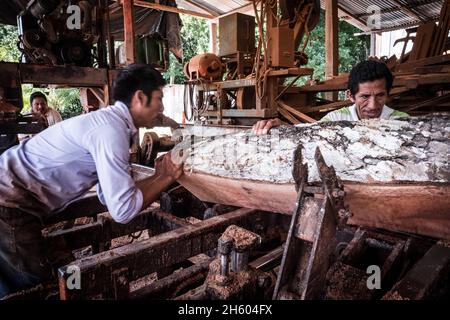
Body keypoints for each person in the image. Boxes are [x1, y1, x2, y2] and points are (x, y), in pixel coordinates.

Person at [0, 64, 184, 298]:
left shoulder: (112, 124)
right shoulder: (111, 131)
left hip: (16, 197)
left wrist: (160, 173)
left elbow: (109, 196)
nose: (162, 106)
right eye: (159, 98)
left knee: (68, 275)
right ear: (140, 97)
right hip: (8, 201)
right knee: (41, 288)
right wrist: (166, 176)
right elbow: (123, 210)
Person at [252, 60, 409, 135]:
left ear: (388, 93)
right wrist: (281, 126)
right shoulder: (336, 118)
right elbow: (309, 134)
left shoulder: (403, 122)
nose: (373, 106)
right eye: (365, 96)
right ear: (350, 96)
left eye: (380, 95)